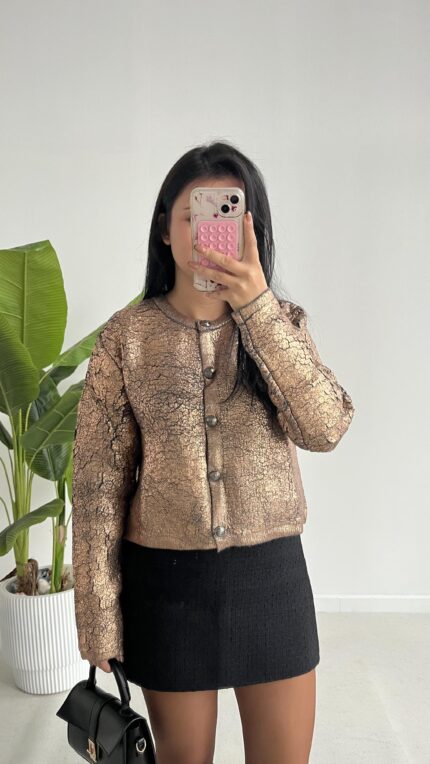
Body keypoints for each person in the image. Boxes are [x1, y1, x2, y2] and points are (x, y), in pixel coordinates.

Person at [72, 140, 355, 764]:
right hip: (167, 590)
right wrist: (98, 614)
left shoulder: (281, 323)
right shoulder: (126, 337)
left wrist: (256, 308)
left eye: (228, 215)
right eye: (193, 215)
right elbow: (96, 487)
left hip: (271, 584)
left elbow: (325, 428)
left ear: (253, 231)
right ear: (165, 230)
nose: (209, 232)